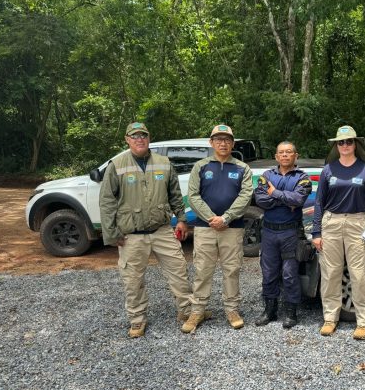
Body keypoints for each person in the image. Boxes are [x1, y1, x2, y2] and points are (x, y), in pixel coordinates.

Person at [99, 122, 193, 338]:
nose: (139, 139)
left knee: (179, 271)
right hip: (131, 234)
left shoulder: (163, 162)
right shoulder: (117, 164)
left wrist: (181, 219)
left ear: (149, 138)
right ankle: (137, 320)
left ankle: (186, 311)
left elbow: (175, 194)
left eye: (143, 135)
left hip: (161, 230)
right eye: (135, 136)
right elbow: (106, 201)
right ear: (127, 139)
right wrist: (111, 232)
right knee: (133, 279)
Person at [311, 125, 365, 340]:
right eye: (341, 142)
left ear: (356, 144)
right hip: (331, 223)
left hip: (357, 223)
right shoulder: (328, 170)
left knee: (360, 273)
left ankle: (363, 322)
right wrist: (317, 232)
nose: (345, 145)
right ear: (336, 145)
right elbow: (318, 203)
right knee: (330, 273)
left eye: (349, 142)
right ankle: (330, 319)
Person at [183, 124, 253, 332]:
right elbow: (193, 196)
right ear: (211, 142)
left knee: (232, 269)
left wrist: (227, 218)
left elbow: (246, 196)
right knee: (203, 270)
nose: (223, 143)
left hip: (232, 228)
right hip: (205, 228)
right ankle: (197, 311)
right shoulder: (201, 166)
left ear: (232, 143)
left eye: (227, 140)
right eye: (218, 139)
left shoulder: (242, 168)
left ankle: (232, 309)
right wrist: (212, 218)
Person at [254, 141, 313, 328]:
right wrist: (284, 199)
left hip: (290, 232)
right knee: (269, 272)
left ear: (296, 155)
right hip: (269, 232)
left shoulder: (303, 178)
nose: (285, 155)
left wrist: (275, 193)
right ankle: (269, 311)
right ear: (276, 156)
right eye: (281, 152)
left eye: (289, 152)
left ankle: (291, 313)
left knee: (289, 274)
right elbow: (261, 199)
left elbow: (298, 199)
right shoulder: (267, 175)